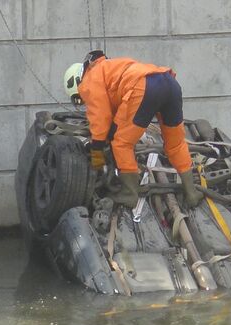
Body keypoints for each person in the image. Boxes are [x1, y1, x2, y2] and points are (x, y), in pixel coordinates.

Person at [63, 50, 204, 208]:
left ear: (77, 80)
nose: (83, 100)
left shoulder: (89, 79)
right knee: (176, 144)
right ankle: (191, 193)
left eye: (79, 97)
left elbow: (100, 117)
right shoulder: (109, 67)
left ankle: (129, 195)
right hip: (168, 82)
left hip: (144, 88)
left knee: (121, 144)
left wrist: (97, 149)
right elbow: (116, 114)